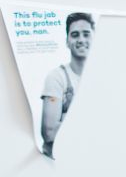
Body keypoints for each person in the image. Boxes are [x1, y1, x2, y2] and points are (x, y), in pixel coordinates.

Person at [38, 12, 94, 158]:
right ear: (67, 41)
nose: (81, 39)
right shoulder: (57, 77)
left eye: (86, 34)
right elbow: (49, 133)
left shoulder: (103, 77)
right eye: (75, 35)